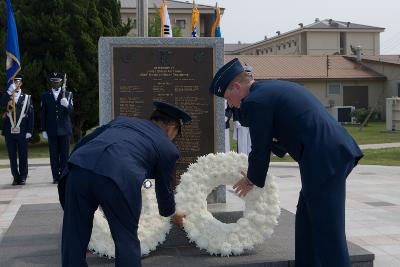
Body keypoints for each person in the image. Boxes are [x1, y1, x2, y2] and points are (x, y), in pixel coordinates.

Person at [209, 58, 364, 267]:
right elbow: (279, 130)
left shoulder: (256, 101)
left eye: (228, 97)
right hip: (326, 155)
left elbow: (260, 147)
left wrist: (252, 178)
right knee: (307, 221)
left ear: (237, 87)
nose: (229, 104)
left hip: (324, 159)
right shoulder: (266, 90)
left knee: (327, 229)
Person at [58, 101, 191, 267]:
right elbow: (164, 188)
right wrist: (170, 214)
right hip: (117, 179)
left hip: (79, 169)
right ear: (171, 127)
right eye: (177, 134)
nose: (174, 139)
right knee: (125, 237)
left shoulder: (121, 121)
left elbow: (85, 142)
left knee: (74, 234)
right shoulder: (167, 147)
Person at [0, 75, 34, 185]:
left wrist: (29, 131)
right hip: (9, 130)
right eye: (14, 81)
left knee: (23, 155)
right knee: (12, 155)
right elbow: (1, 104)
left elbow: (31, 115)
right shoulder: (8, 96)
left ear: (21, 83)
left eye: (18, 81)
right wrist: (9, 92)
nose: (16, 83)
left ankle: (23, 176)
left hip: (23, 130)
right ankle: (15, 176)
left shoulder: (27, 97)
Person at [40, 72, 73, 184]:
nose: (55, 83)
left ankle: (63, 176)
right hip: (52, 130)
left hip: (65, 129)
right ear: (51, 82)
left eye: (57, 81)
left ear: (61, 82)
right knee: (53, 155)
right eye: (53, 81)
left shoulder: (68, 94)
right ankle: (55, 176)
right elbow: (43, 114)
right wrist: (44, 129)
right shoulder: (45, 95)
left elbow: (71, 111)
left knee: (64, 154)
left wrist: (67, 105)